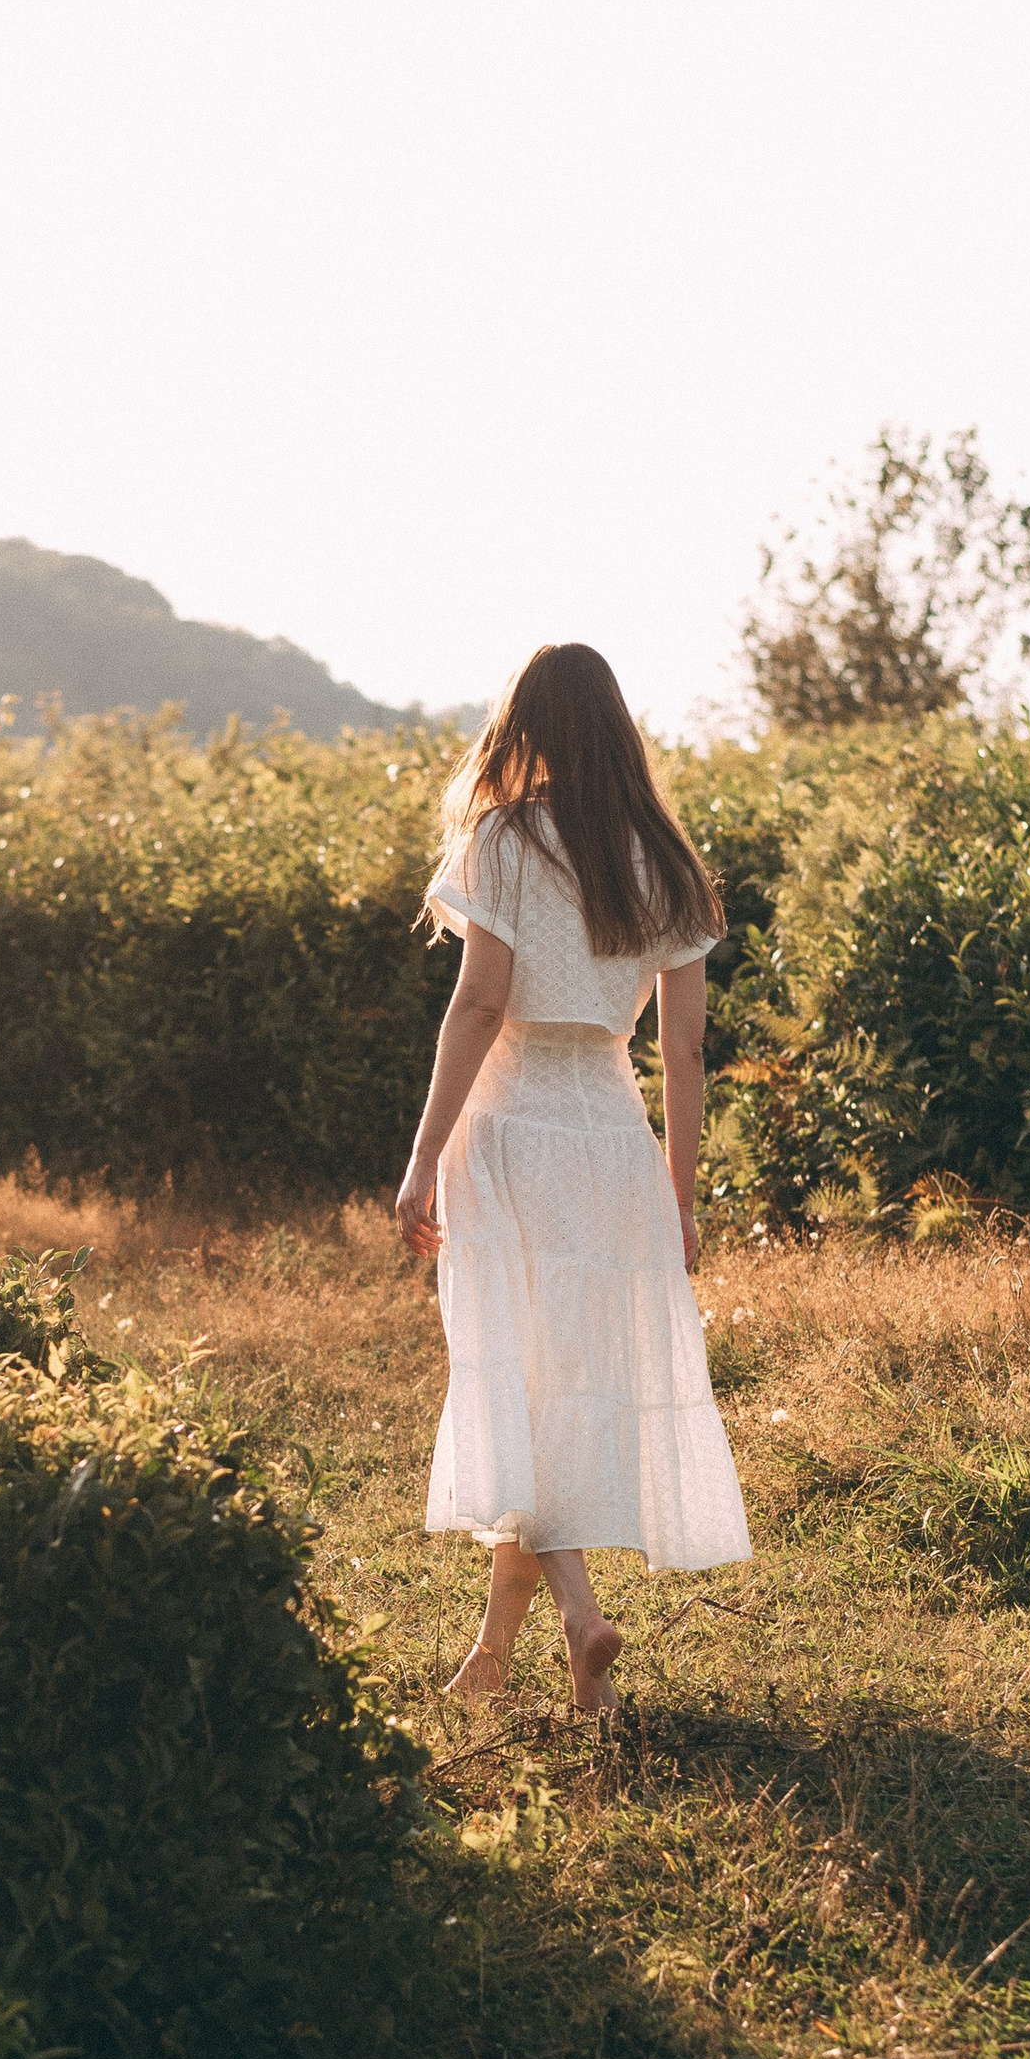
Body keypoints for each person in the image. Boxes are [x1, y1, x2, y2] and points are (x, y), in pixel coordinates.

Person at [394, 640, 752, 1715]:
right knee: (559, 1389)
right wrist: (678, 1197)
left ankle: (580, 1618)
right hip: (610, 1133)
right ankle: (492, 1663)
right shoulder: (672, 862)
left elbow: (477, 1005)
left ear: (530, 727)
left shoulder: (503, 838)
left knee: (519, 1383)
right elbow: (683, 1053)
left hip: (509, 1126)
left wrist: (419, 1159)